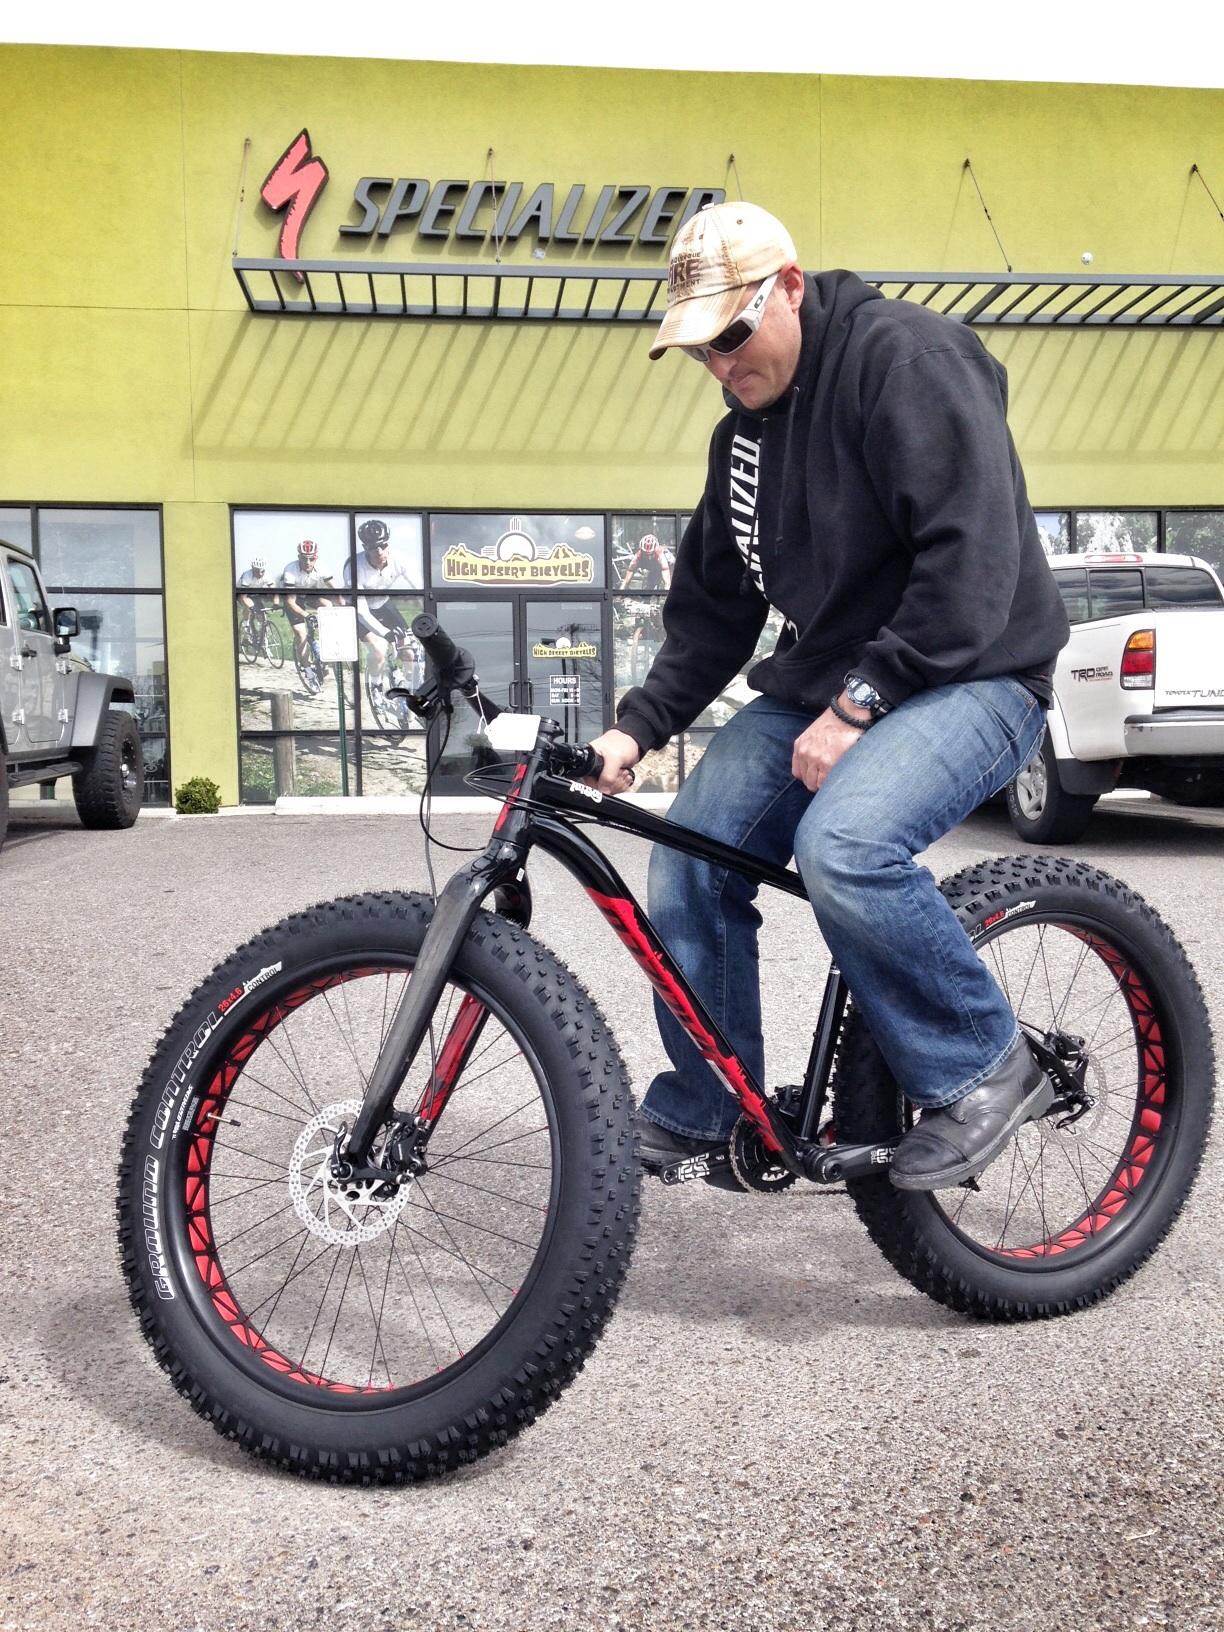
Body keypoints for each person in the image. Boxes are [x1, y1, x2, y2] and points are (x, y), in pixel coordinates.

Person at [587, 202, 1070, 1192]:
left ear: (791, 287)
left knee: (844, 845)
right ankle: (718, 1106)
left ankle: (986, 1065)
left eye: (732, 335)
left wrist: (860, 701)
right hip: (837, 680)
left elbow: (971, 561)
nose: (721, 365)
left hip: (972, 669)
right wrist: (635, 728)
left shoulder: (908, 362)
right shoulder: (745, 447)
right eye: (699, 352)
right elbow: (714, 615)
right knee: (690, 858)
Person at [344, 519, 423, 700]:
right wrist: (385, 633)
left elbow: (420, 592)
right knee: (378, 650)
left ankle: (411, 689)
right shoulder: (354, 568)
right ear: (365, 547)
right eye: (373, 548)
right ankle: (376, 686)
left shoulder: (400, 559)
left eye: (383, 545)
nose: (379, 552)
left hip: (384, 604)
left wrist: (431, 614)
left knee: (408, 650)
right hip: (360, 612)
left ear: (388, 544)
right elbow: (362, 611)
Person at [279, 538, 335, 671]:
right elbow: (290, 602)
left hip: (310, 594)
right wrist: (307, 615)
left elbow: (336, 590)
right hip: (293, 600)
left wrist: (345, 604)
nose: (308, 562)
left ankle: (324, 648)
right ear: (299, 557)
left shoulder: (323, 567)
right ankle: (307, 670)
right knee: (301, 635)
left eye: (311, 558)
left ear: (317, 557)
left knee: (328, 606)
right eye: (304, 558)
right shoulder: (290, 570)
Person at [237, 556, 273, 641]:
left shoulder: (267, 575)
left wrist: (275, 602)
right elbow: (243, 596)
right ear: (252, 569)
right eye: (257, 571)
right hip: (242, 593)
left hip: (256, 595)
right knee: (250, 606)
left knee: (263, 617)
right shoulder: (247, 575)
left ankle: (263, 642)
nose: (260, 573)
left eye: (262, 571)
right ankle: (246, 626)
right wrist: (250, 608)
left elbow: (273, 589)